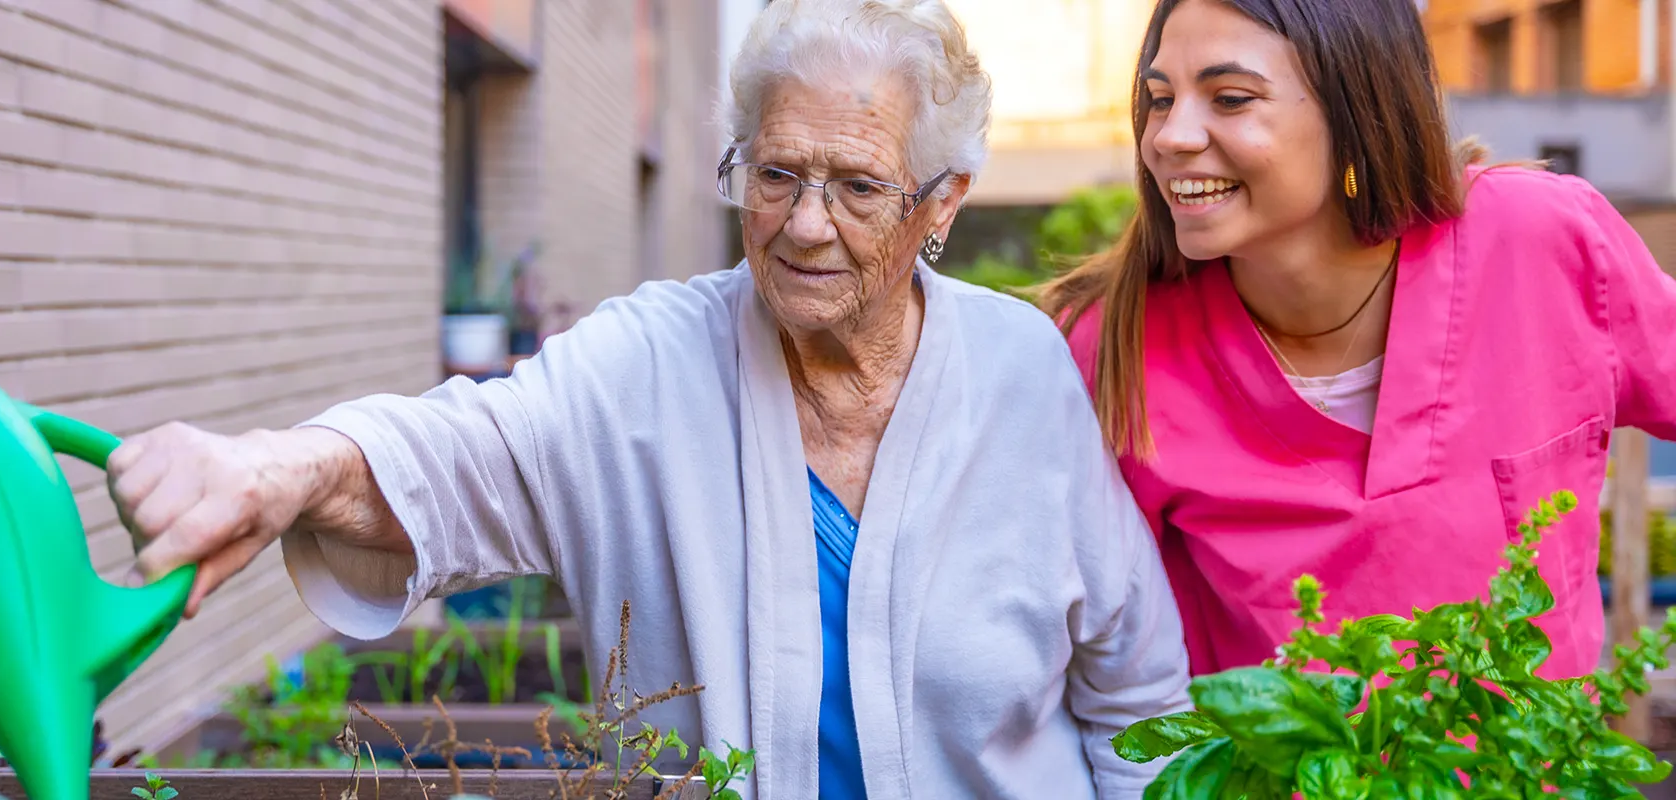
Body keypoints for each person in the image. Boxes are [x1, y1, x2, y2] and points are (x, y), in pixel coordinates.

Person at [104, 1, 1191, 797]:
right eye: (775, 174)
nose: (806, 224)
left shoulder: (1022, 370)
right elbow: (455, 453)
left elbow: (1136, 698)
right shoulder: (648, 362)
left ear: (941, 202)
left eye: (858, 186)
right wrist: (277, 467)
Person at [1040, 0, 1676, 682]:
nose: (1169, 136)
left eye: (1229, 98)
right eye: (1159, 99)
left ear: (1356, 110)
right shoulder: (1107, 349)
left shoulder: (1543, 241)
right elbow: (1091, 662)